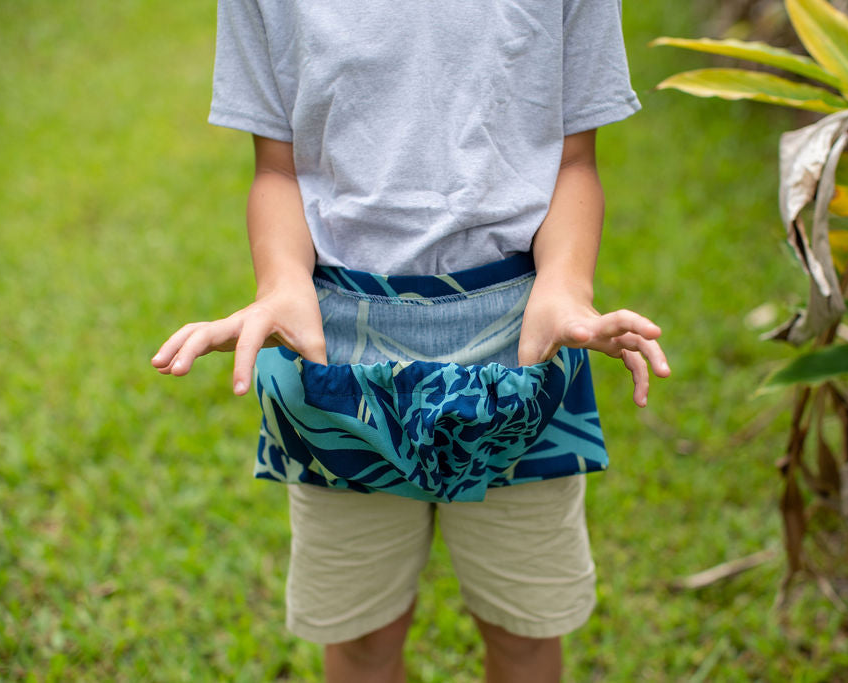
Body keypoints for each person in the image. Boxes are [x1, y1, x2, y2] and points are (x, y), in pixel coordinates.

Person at [151, 0, 670, 680]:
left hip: (521, 347)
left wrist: (567, 284)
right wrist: (280, 282)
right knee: (361, 639)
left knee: (524, 630)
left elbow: (573, 155)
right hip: (335, 359)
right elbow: (278, 166)